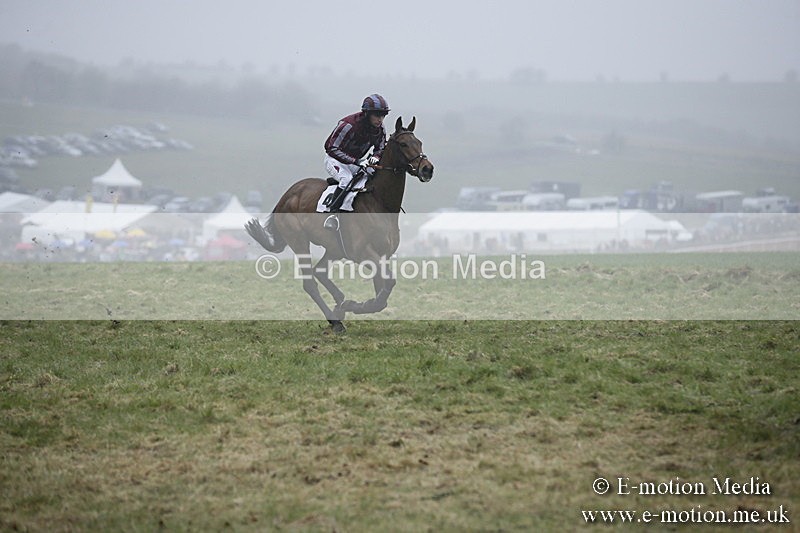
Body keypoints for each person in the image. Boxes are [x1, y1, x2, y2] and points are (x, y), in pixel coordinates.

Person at [322, 94, 389, 229]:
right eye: (377, 115)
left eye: (383, 115)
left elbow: (381, 147)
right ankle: (332, 214)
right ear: (367, 114)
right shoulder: (348, 125)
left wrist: (375, 157)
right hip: (335, 160)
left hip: (356, 162)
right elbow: (331, 148)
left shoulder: (380, 129)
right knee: (346, 179)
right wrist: (356, 161)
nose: (380, 120)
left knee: (374, 173)